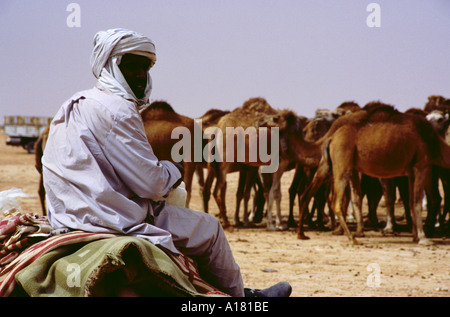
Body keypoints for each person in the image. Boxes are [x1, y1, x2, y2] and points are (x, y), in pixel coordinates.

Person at [42, 28, 291, 297]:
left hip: (66, 217)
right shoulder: (118, 108)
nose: (140, 74)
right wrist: (174, 169)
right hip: (109, 219)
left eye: (145, 67)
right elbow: (152, 184)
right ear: (111, 66)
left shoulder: (71, 104)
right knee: (210, 229)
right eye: (132, 66)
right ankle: (241, 299)